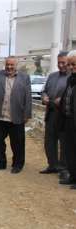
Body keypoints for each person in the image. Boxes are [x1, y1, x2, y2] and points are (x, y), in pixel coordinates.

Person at [0, 56, 32, 174]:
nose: (9, 67)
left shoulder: (25, 78)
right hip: (0, 115)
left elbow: (28, 97)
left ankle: (17, 164)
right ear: (4, 65)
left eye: (12, 65)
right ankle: (0, 163)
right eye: (7, 65)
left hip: (17, 116)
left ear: (16, 65)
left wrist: (27, 114)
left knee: (18, 143)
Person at [40, 51, 69, 174]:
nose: (61, 65)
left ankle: (64, 168)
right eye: (59, 63)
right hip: (51, 113)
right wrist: (44, 97)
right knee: (49, 141)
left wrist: (61, 100)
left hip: (65, 116)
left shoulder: (72, 77)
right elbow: (44, 91)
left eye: (64, 63)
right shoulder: (52, 76)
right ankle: (52, 165)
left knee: (64, 143)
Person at [59, 50, 76, 189]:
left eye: (74, 64)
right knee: (69, 150)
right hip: (68, 120)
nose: (71, 67)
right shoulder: (71, 80)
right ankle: (72, 176)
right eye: (70, 64)